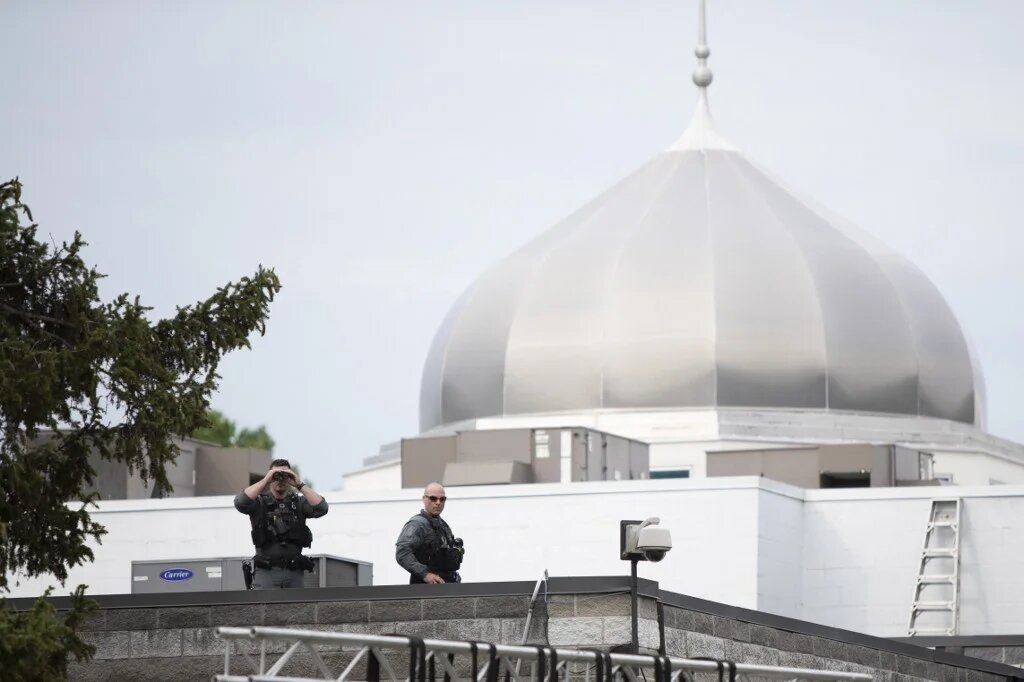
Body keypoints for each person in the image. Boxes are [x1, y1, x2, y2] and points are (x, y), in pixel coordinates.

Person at [234, 458, 328, 589]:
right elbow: (240, 502)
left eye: (285, 475)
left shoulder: (298, 503)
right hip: (267, 571)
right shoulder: (259, 503)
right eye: (276, 476)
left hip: (294, 572)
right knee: (265, 608)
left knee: (297, 609)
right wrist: (266, 479)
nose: (280, 479)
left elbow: (322, 508)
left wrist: (299, 484)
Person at [395, 482, 464, 584]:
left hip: (447, 585)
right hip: (426, 590)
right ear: (424, 499)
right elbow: (402, 553)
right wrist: (425, 574)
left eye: (442, 499)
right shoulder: (417, 524)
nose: (438, 502)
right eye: (433, 498)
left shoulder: (443, 525)